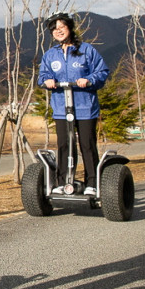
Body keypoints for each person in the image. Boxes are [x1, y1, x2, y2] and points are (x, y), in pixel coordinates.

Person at [37, 12, 110, 196]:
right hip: (62, 108)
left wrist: (89, 79)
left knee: (87, 144)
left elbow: (102, 71)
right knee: (64, 145)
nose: (58, 31)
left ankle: (92, 184)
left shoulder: (87, 50)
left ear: (69, 28)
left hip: (85, 107)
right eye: (54, 29)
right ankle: (63, 182)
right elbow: (42, 75)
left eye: (62, 27)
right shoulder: (50, 55)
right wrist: (47, 81)